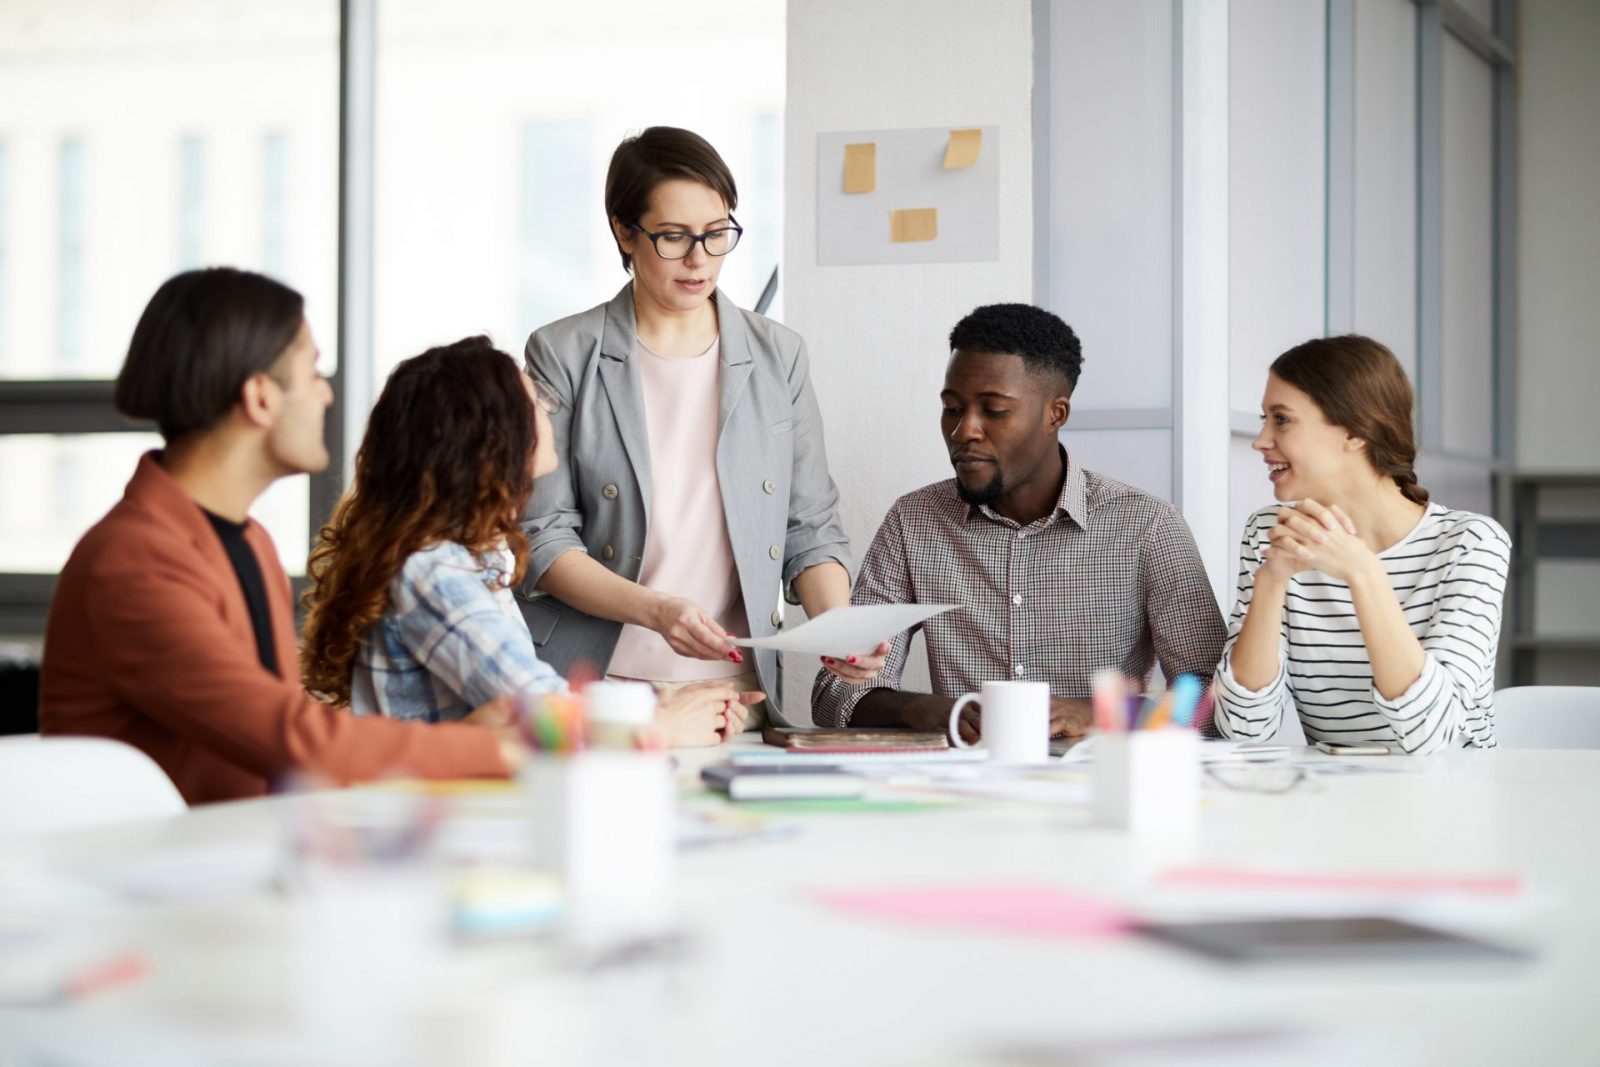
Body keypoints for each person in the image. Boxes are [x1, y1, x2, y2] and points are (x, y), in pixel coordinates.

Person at [39, 269, 523, 805]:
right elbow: (290, 737)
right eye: (312, 372)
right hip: (147, 872)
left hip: (235, 846)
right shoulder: (134, 561)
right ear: (261, 398)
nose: (326, 395)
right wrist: (491, 750)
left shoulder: (249, 541)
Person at [519, 126, 883, 724]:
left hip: (735, 688)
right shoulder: (563, 352)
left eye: (717, 235)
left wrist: (837, 628)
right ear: (623, 232)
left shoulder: (778, 355)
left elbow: (810, 526)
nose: (699, 259)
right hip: (595, 685)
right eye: (673, 237)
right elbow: (543, 536)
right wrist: (657, 611)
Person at [300, 337, 761, 746]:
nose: (550, 410)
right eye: (537, 403)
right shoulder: (433, 569)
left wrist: (686, 708)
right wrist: (666, 722)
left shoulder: (470, 554)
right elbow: (536, 707)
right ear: (490, 439)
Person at [811, 303, 1227, 738]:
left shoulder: (1147, 526)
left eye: (993, 410)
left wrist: (1102, 714)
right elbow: (836, 691)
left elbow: (1211, 700)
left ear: (1056, 414)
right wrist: (931, 710)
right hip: (962, 790)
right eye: (953, 408)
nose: (964, 430)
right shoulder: (912, 522)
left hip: (1100, 787)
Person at [1212, 335, 1508, 752]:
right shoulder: (1272, 532)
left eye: (1281, 419)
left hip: (1449, 800)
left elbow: (1435, 738)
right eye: (1264, 419)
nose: (1261, 440)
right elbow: (1243, 728)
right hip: (1330, 799)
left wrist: (1364, 572)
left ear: (1354, 431)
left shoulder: (1470, 543)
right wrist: (1271, 582)